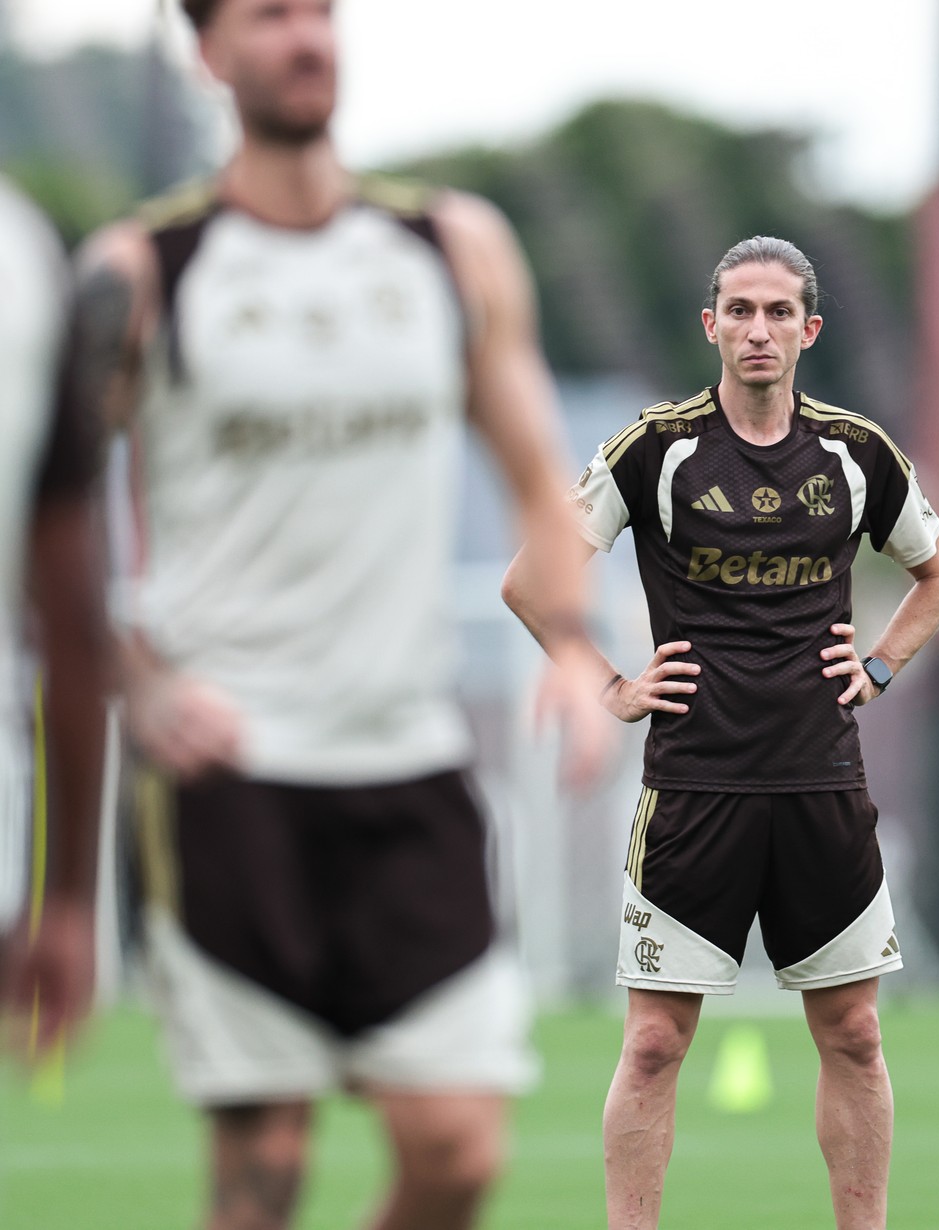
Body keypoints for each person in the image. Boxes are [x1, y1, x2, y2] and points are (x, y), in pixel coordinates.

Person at [70, 1, 607, 1227]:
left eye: (320, 12)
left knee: (459, 1147)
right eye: (269, 17)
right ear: (210, 53)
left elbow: (538, 470)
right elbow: (40, 510)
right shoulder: (143, 271)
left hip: (408, 757)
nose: (306, 39)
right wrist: (134, 682)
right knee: (264, 1170)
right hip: (232, 769)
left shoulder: (450, 247)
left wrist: (572, 644)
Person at [503, 235, 939, 1229]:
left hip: (823, 790)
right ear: (711, 324)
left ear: (810, 330)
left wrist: (880, 664)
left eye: (778, 312)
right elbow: (533, 580)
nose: (760, 330)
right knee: (656, 1046)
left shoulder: (856, 453)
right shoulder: (654, 450)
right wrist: (608, 684)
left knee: (853, 1036)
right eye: (740, 311)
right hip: (694, 794)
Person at [0, 175, 108, 1058]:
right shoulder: (19, 251)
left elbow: (72, 615)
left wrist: (66, 893)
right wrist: (65, 892)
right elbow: (71, 615)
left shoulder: (25, 259)